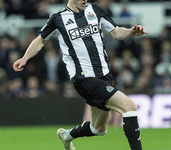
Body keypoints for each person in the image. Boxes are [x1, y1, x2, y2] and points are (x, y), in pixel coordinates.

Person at [13, 0, 148, 150]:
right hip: (84, 78)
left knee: (99, 129)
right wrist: (24, 58)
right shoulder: (58, 18)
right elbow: (40, 40)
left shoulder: (95, 10)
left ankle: (67, 135)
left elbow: (116, 32)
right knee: (129, 106)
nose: (85, 0)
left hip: (104, 76)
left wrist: (131, 32)